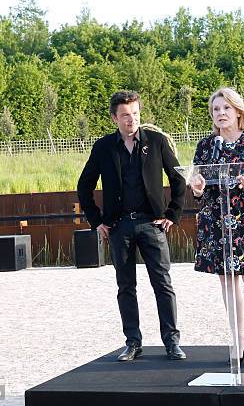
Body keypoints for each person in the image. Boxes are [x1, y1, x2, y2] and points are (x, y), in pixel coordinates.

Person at [77, 91, 187, 361]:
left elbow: (178, 178)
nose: (132, 119)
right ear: (114, 117)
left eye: (136, 113)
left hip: (153, 224)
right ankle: (133, 342)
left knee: (163, 284)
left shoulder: (157, 142)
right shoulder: (103, 147)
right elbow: (84, 186)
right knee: (126, 287)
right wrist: (97, 220)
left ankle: (172, 342)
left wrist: (172, 213)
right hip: (119, 227)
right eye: (126, 115)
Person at [189, 87, 244, 368]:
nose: (221, 114)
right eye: (216, 109)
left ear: (238, 111)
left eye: (226, 108)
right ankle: (238, 338)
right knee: (227, 280)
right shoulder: (206, 146)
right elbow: (197, 186)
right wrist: (198, 188)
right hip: (217, 219)